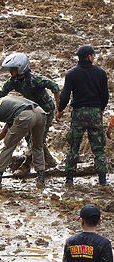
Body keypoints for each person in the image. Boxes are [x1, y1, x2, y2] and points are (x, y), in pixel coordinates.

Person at [0, 52, 60, 174]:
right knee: (28, 135)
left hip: (46, 110)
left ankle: (27, 165)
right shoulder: (13, 81)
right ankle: (49, 161)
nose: (10, 72)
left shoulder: (36, 79)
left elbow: (55, 86)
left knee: (37, 138)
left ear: (20, 68)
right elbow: (1, 93)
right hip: (31, 110)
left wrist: (58, 109)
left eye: (12, 69)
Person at [56, 45, 109, 186]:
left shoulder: (71, 74)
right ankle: (103, 181)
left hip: (78, 113)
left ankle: (69, 179)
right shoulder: (101, 73)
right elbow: (105, 96)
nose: (94, 57)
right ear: (89, 57)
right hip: (95, 112)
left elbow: (65, 96)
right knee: (98, 148)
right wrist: (100, 109)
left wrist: (60, 110)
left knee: (73, 146)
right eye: (93, 55)